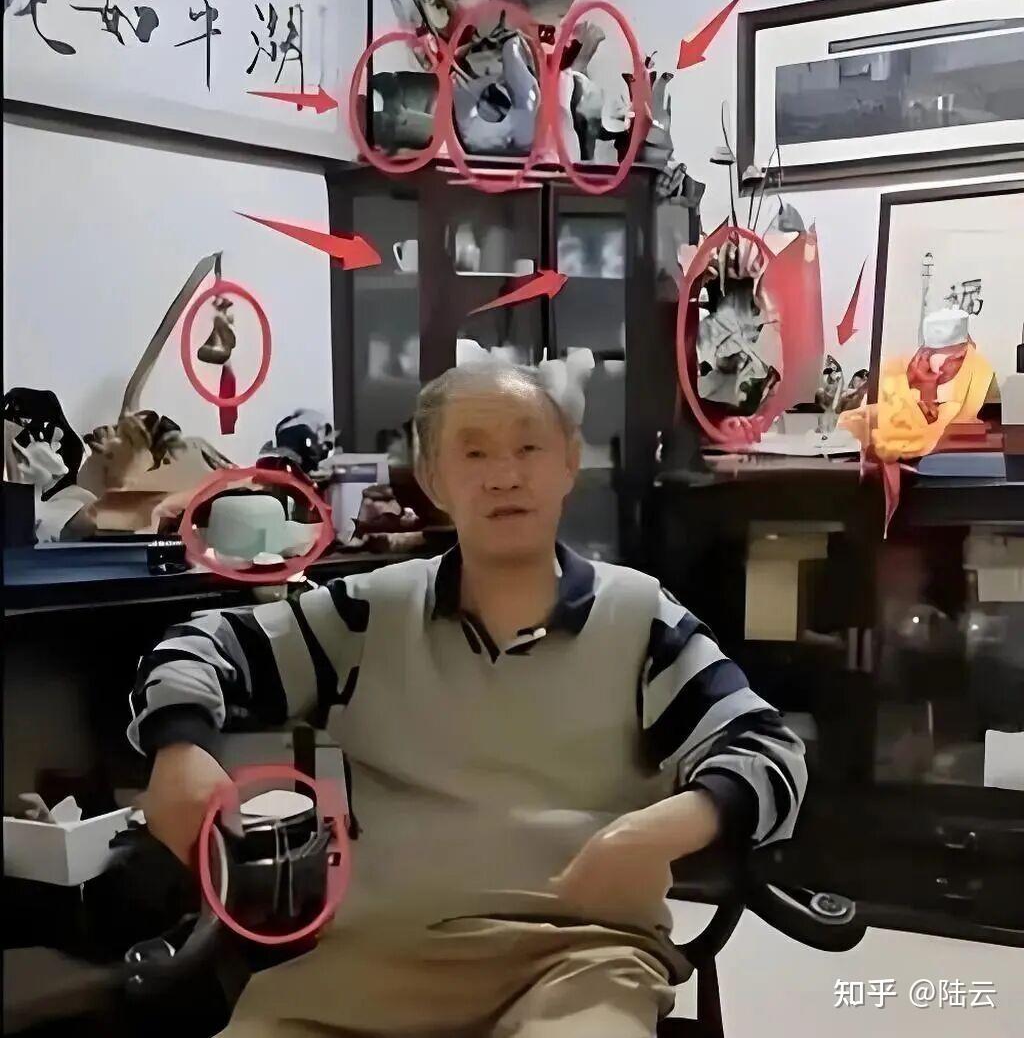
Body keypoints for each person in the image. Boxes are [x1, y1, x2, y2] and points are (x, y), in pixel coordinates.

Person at [131, 360, 807, 1038]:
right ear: (433, 479)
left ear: (570, 461)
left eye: (529, 447)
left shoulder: (641, 620)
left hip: (581, 956)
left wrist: (659, 830)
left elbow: (765, 748)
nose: (504, 475)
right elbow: (204, 643)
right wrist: (179, 746)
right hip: (379, 960)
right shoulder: (367, 616)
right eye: (474, 452)